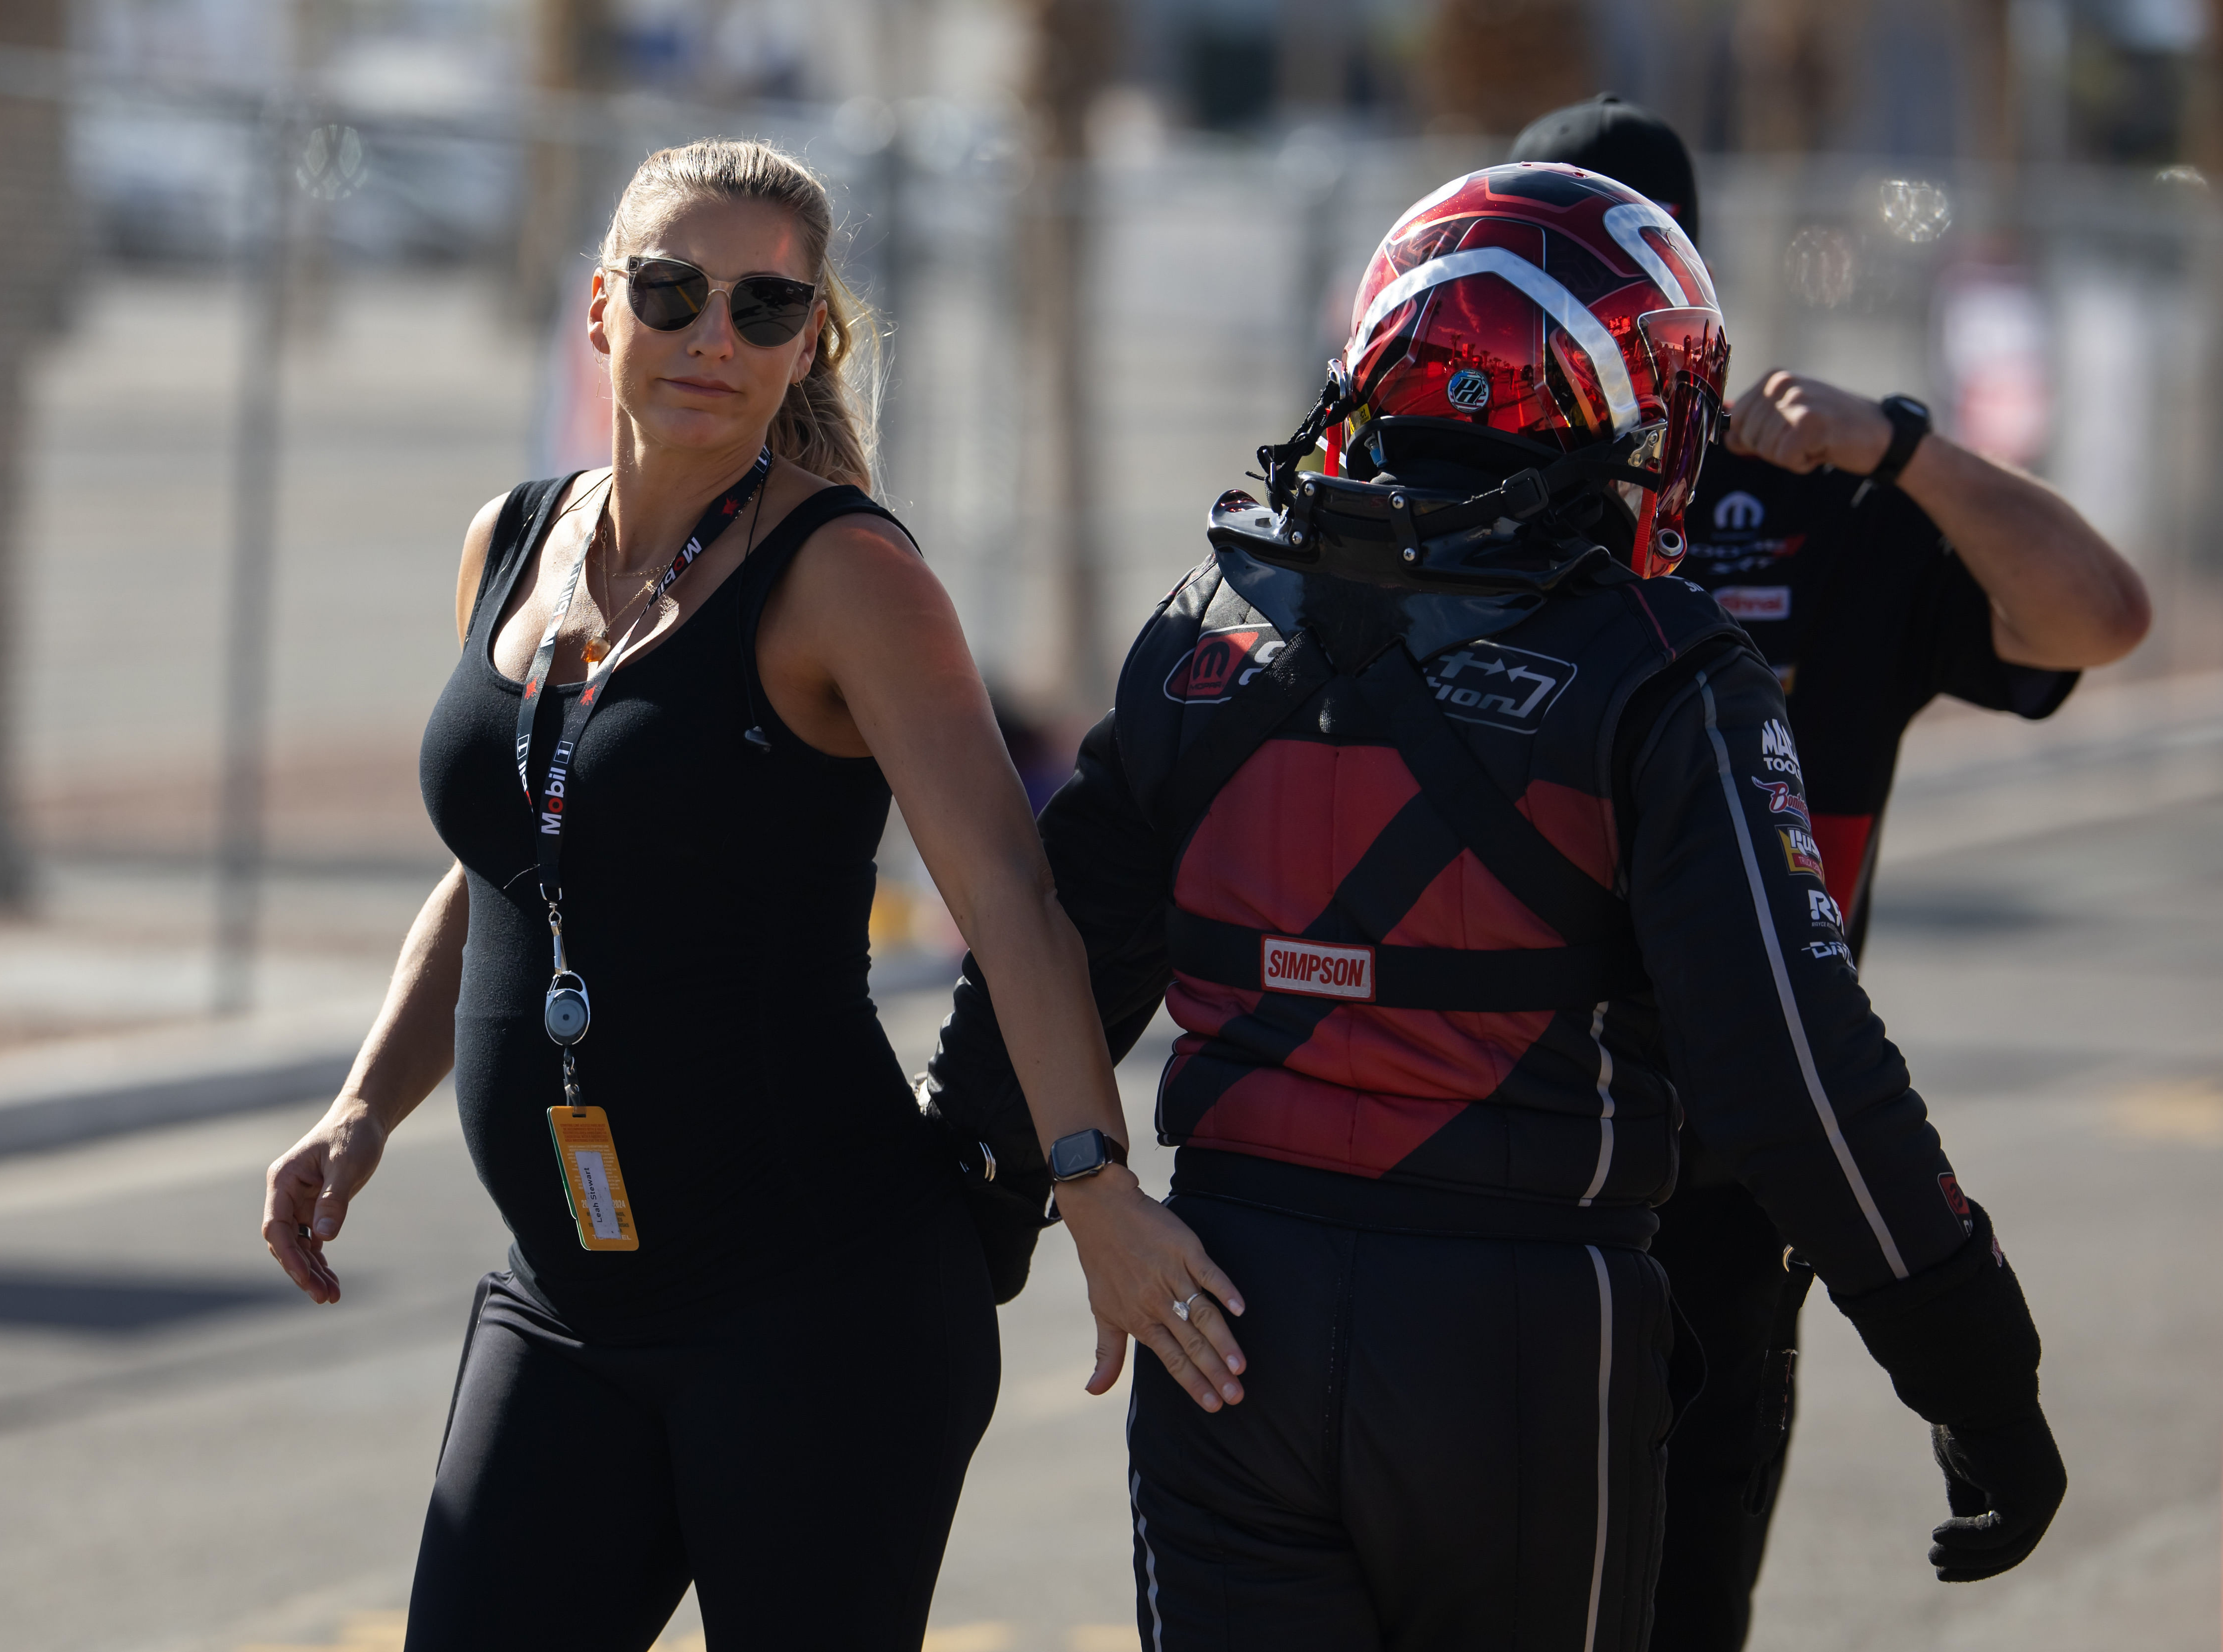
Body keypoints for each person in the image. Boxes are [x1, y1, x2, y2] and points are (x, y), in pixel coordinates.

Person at [920, 162, 2067, 1651]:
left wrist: (968, 1236)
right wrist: (1976, 1371)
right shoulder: (1664, 667)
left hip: (1223, 1314)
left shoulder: (1208, 619)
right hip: (1521, 1335)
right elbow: (1795, 1071)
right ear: (1624, 404)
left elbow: (1050, 960)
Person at [258, 139, 1230, 1652]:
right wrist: (364, 1106)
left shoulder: (845, 576)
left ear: (810, 343)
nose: (715, 336)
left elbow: (1011, 896)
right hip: (566, 1301)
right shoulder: (510, 544)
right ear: (600, 312)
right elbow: (505, 868)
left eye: (766, 308)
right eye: (674, 292)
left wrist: (1096, 1185)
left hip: (819, 1311)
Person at [1510, 95, 2149, 1652]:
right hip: (1485, 1165)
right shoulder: (1448, 497)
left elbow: (2097, 621)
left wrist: (1904, 451)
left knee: (1679, 1609)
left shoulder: (1811, 500)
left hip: (1727, 1176)